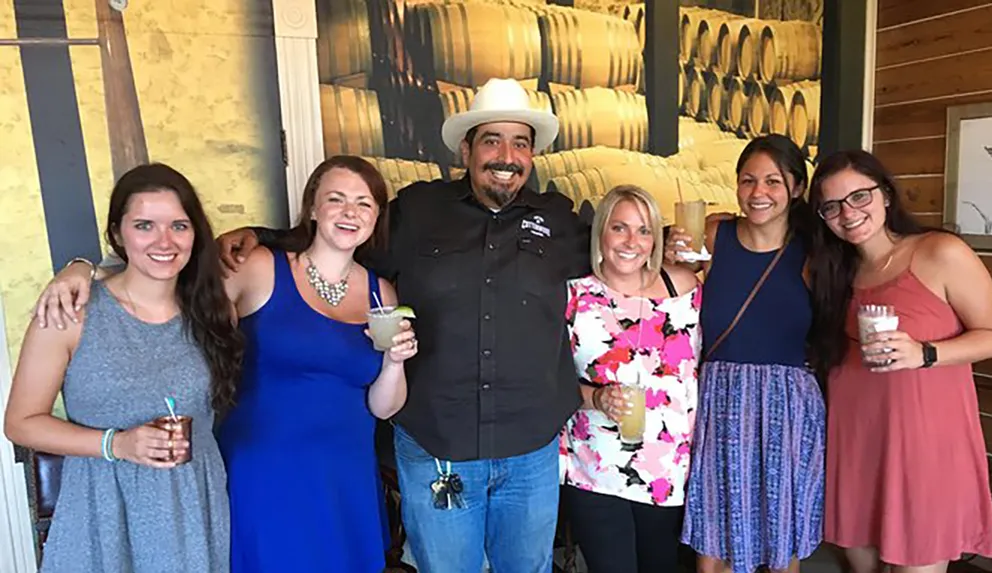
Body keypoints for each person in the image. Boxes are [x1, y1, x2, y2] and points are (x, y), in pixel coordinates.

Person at [156, 78, 589, 572]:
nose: (506, 155)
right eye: (492, 139)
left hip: (529, 446)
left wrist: (682, 247)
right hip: (435, 442)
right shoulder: (419, 210)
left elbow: (623, 256)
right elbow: (342, 232)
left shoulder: (558, 219)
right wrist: (259, 234)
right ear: (466, 149)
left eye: (520, 143)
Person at [27, 156, 418, 572]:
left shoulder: (383, 296)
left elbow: (383, 406)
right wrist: (80, 270)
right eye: (335, 199)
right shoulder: (258, 266)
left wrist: (395, 362)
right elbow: (175, 282)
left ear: (377, 216)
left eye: (364, 203)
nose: (350, 212)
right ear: (312, 208)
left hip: (346, 473)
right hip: (264, 467)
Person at [5, 163, 241, 572]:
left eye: (179, 226)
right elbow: (20, 423)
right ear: (117, 233)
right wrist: (116, 444)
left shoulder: (214, 314)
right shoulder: (70, 312)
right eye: (145, 225)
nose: (164, 241)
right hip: (101, 512)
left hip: (193, 508)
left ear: (195, 234)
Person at [808, 149, 992, 573]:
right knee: (862, 564)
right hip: (858, 443)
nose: (849, 213)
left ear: (887, 195)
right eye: (833, 206)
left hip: (924, 447)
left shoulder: (939, 252)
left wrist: (926, 353)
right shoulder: (833, 272)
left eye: (860, 197)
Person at [667, 134, 825, 573]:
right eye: (748, 180)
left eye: (773, 181)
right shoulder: (716, 235)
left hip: (788, 401)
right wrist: (669, 254)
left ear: (796, 188)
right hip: (720, 396)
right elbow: (672, 295)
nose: (759, 193)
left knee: (782, 534)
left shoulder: (813, 252)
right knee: (713, 533)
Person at [561, 185, 701, 573]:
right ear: (600, 233)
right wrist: (597, 398)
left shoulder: (685, 288)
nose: (631, 242)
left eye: (643, 230)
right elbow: (546, 380)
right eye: (619, 228)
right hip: (596, 467)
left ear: (656, 238)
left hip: (668, 469)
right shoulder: (575, 297)